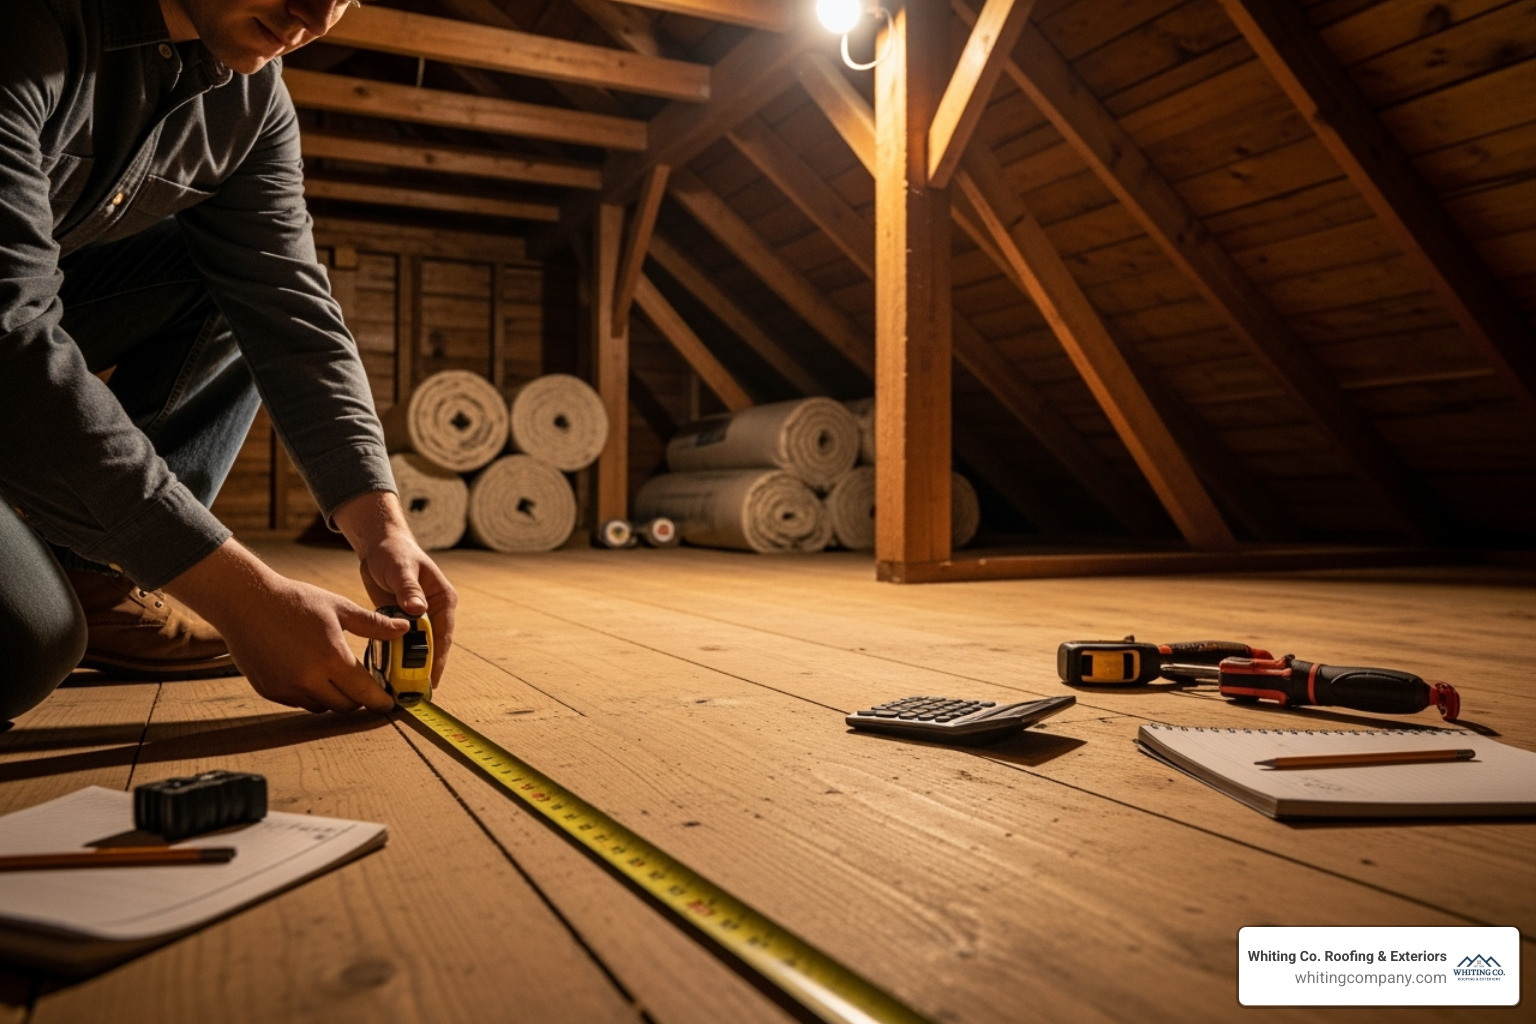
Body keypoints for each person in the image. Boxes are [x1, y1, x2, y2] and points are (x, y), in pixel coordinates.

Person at [0, 0, 457, 723]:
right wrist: (237, 594)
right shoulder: (27, 24)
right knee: (21, 651)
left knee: (229, 282)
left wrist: (383, 527)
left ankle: (95, 569)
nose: (315, 13)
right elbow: (10, 336)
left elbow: (292, 314)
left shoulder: (254, 104)